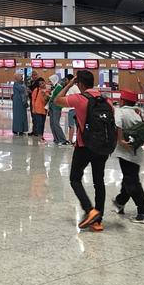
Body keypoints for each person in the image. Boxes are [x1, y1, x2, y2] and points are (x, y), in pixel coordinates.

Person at [54, 71, 115, 230]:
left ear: (79, 83)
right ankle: (98, 219)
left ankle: (90, 211)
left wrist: (68, 84)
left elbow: (57, 100)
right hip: (102, 146)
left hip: (84, 146)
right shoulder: (106, 101)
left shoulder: (80, 99)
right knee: (98, 181)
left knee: (75, 178)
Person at [113, 90, 144, 225]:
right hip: (136, 151)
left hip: (125, 152)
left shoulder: (121, 111)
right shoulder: (136, 112)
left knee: (131, 181)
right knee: (129, 177)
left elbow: (117, 124)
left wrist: (120, 140)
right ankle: (120, 202)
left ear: (122, 100)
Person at [47, 72, 71, 145]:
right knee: (52, 123)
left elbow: (56, 97)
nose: (49, 82)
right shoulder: (55, 87)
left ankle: (62, 139)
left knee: (56, 123)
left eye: (50, 81)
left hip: (56, 106)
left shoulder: (59, 87)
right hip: (52, 106)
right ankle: (56, 139)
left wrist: (48, 96)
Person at [30, 77, 49, 142]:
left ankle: (41, 136)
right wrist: (33, 109)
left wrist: (45, 95)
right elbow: (33, 100)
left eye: (43, 83)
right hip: (37, 110)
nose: (42, 85)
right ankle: (40, 137)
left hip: (44, 110)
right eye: (40, 84)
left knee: (42, 124)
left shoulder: (47, 90)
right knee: (39, 123)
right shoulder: (36, 90)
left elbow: (47, 100)